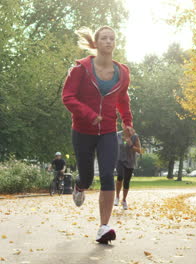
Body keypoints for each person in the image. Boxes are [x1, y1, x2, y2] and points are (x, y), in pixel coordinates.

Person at [62, 26, 134, 244]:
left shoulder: (122, 72)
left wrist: (128, 122)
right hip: (83, 130)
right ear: (97, 42)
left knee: (107, 174)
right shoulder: (80, 69)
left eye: (112, 38)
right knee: (87, 176)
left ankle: (104, 227)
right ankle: (80, 185)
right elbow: (68, 97)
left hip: (109, 132)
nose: (109, 41)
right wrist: (89, 114)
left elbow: (123, 99)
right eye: (104, 38)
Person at [114, 127, 141, 210]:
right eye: (125, 126)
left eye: (129, 127)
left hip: (130, 161)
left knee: (127, 181)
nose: (127, 129)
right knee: (120, 176)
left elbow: (140, 150)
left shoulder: (135, 137)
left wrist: (131, 144)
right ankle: (117, 196)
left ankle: (124, 200)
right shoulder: (117, 135)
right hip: (119, 160)